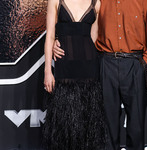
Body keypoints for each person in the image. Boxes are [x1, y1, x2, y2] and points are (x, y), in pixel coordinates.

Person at [53, 0, 147, 150]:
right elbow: (81, 26)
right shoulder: (99, 1)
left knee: (136, 127)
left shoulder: (146, 2)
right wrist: (59, 40)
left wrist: (143, 65)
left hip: (134, 64)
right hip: (106, 63)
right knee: (107, 128)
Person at [43, 0, 106, 149]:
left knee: (88, 124)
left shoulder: (96, 3)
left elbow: (94, 37)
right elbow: (49, 36)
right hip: (64, 67)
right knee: (64, 124)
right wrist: (47, 71)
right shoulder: (55, 1)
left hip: (89, 68)